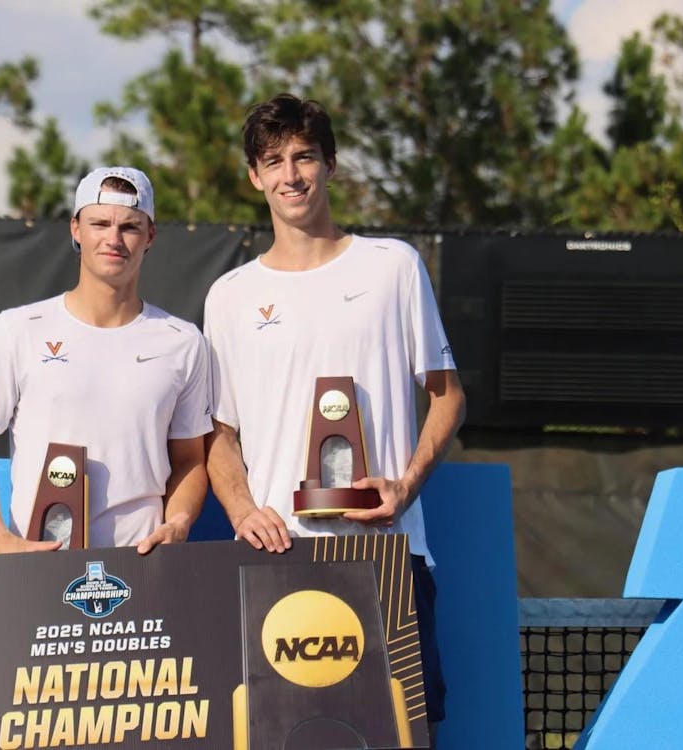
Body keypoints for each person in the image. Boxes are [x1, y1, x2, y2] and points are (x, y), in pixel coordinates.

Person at [203, 94, 466, 745]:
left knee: (403, 737)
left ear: (331, 165)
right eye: (274, 161)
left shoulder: (392, 266)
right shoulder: (231, 296)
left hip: (384, 552)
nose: (291, 175)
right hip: (278, 556)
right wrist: (242, 511)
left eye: (304, 157)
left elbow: (449, 395)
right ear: (254, 176)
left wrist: (402, 488)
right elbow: (219, 434)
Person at [0, 166, 212, 556]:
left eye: (129, 227)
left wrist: (176, 524)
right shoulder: (17, 330)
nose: (113, 239)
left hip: (141, 565)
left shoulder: (183, 341)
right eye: (100, 223)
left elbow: (190, 459)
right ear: (76, 229)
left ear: (150, 236)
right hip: (38, 565)